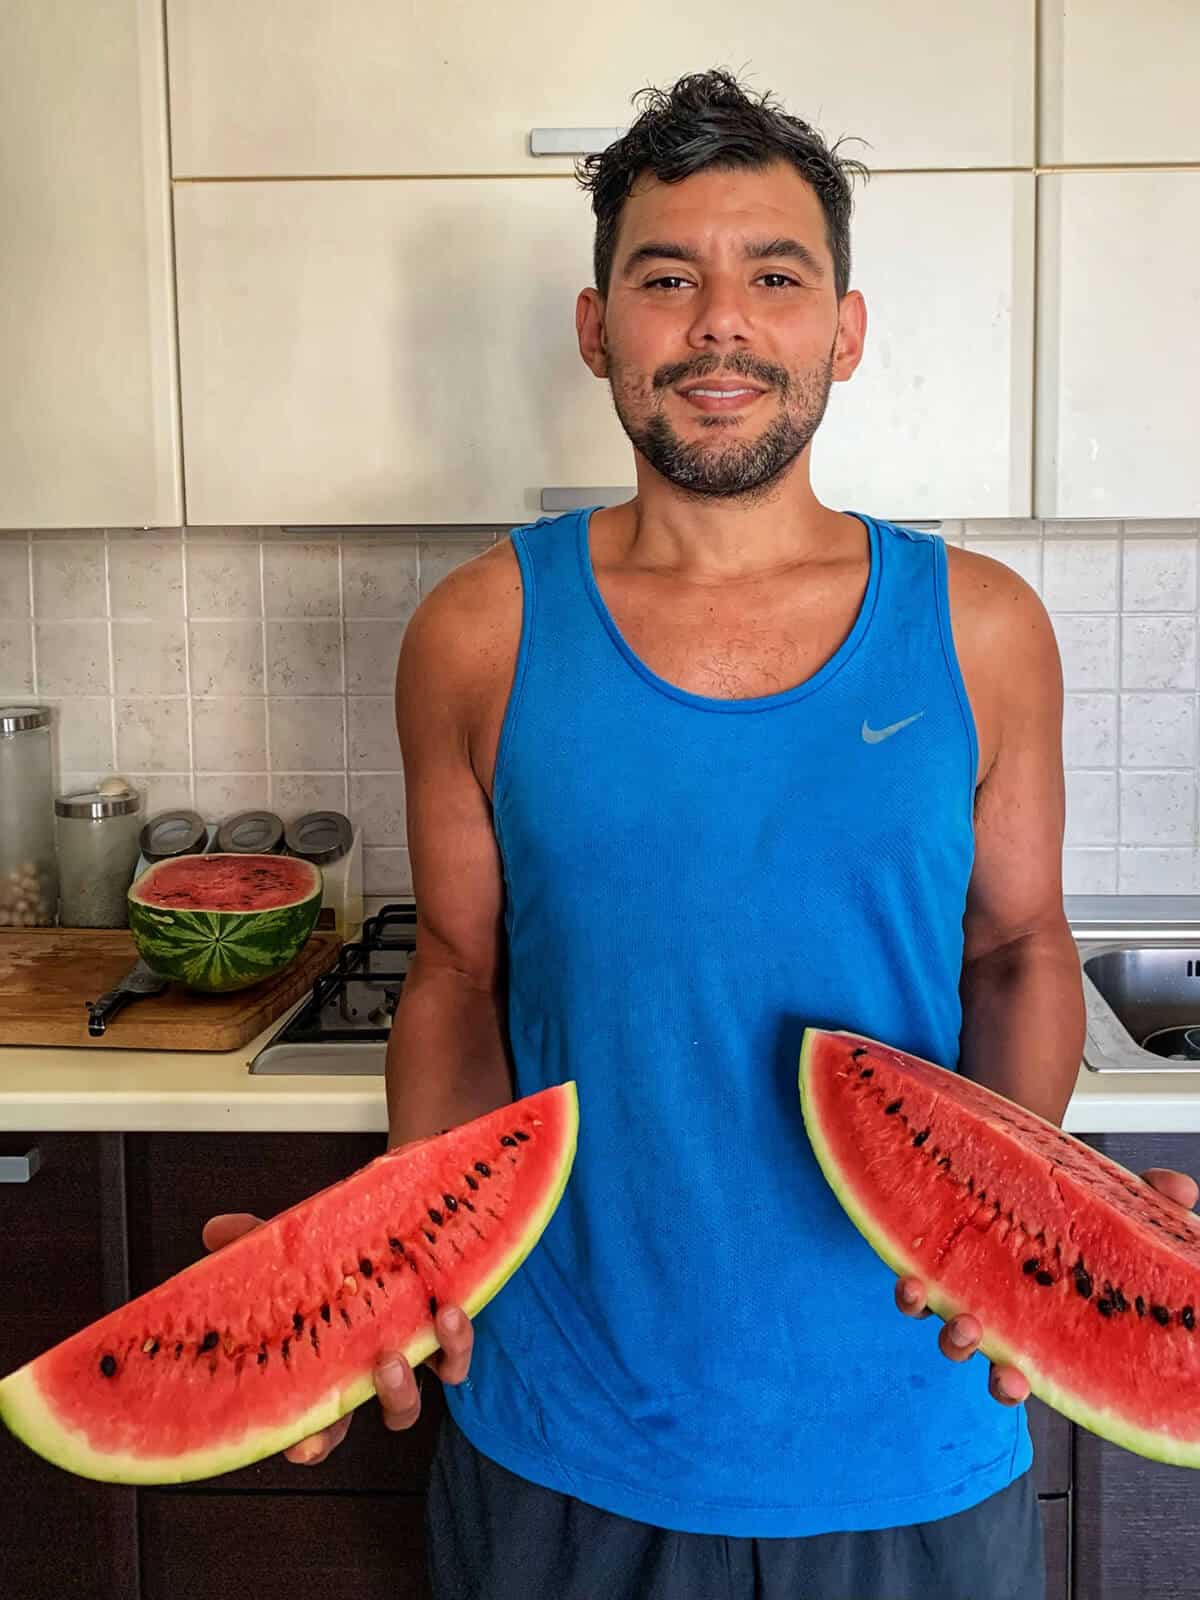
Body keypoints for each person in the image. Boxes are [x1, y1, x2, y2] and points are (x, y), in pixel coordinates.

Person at [203, 69, 1199, 1599]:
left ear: (843, 332)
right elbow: (460, 977)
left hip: (914, 1429)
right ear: (597, 328)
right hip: (560, 1430)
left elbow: (1017, 949)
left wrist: (1042, 1224)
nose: (719, 322)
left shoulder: (984, 629)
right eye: (667, 279)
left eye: (774, 277)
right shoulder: (477, 633)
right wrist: (399, 1260)